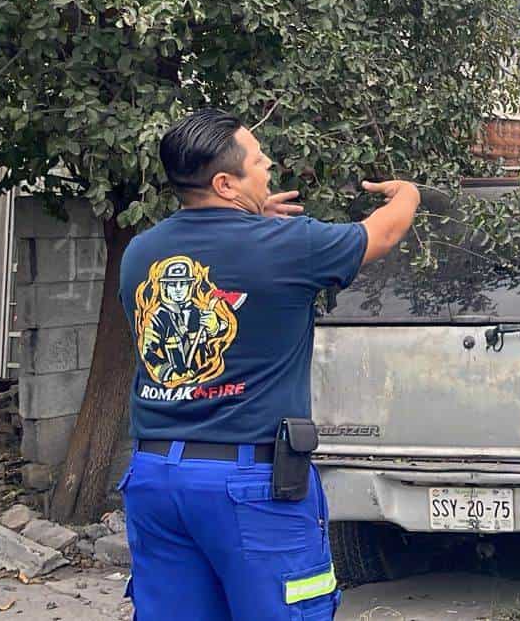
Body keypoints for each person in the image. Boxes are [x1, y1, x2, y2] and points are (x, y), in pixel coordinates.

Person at [118, 108, 420, 621]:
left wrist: (251, 223)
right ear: (225, 183)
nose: (268, 166)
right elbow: (383, 234)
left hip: (155, 480)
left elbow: (224, 256)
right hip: (250, 486)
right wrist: (409, 191)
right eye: (257, 161)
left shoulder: (141, 252)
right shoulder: (289, 246)